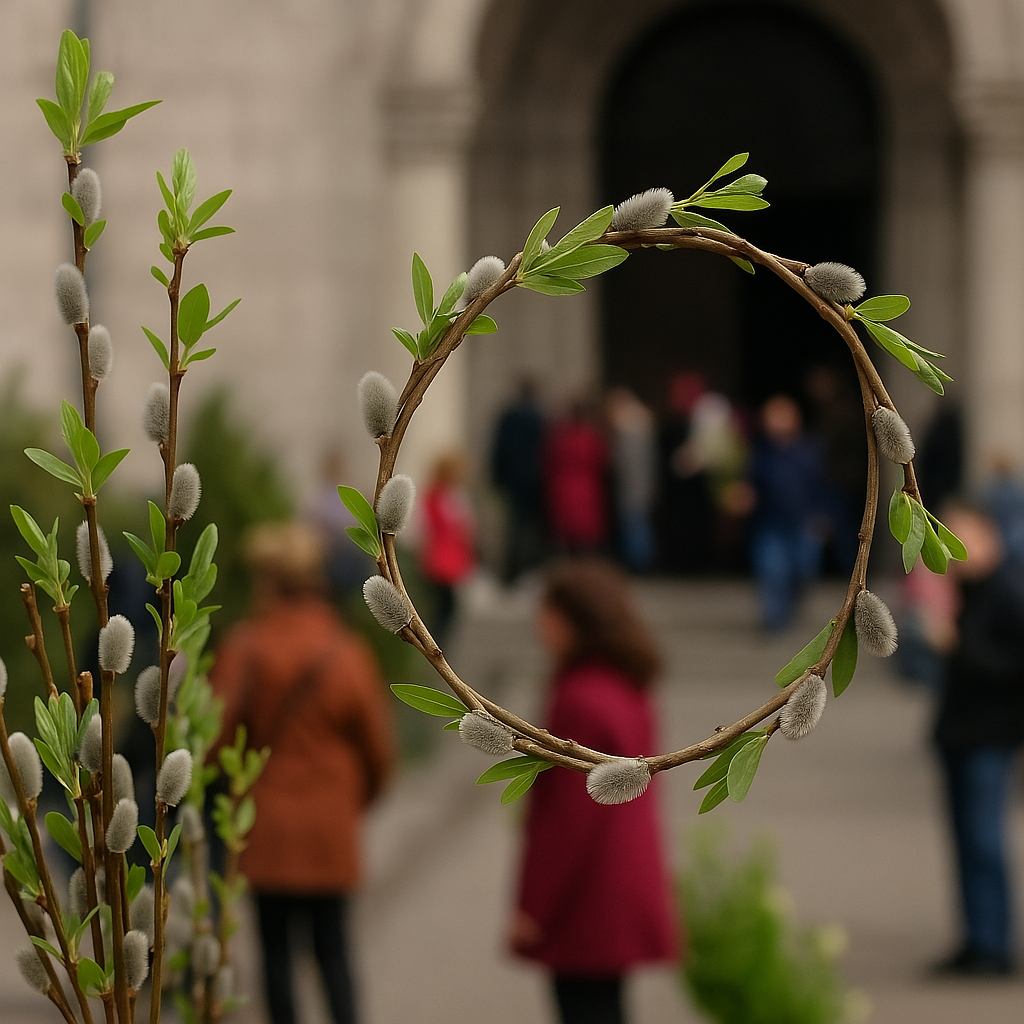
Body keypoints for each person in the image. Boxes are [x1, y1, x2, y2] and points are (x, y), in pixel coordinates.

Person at [209, 522, 395, 1024]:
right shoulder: (346, 649)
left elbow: (213, 738)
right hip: (330, 826)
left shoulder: (247, 647)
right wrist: (352, 802)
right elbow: (379, 752)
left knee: (276, 954)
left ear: (269, 580)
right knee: (333, 950)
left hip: (266, 823)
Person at [510, 559, 679, 1024]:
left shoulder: (579, 698)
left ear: (575, 621)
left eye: (547, 614)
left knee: (586, 1009)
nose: (539, 626)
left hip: (588, 895)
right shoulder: (627, 684)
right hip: (623, 876)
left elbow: (569, 819)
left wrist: (534, 906)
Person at [932, 505, 1024, 977]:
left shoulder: (1009, 592)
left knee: (983, 840)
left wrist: (959, 647)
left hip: (989, 737)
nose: (952, 549)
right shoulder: (967, 590)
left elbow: (1012, 670)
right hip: (961, 735)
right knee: (966, 841)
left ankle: (993, 945)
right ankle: (976, 939)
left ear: (989, 539)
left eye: (959, 537)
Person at [747, 395, 827, 631]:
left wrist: (823, 516)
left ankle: (791, 607)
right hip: (769, 522)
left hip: (804, 521)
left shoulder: (810, 451)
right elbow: (750, 483)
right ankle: (774, 617)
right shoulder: (759, 452)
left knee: (803, 568)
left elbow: (824, 486)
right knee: (771, 568)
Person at [491, 379, 546, 582]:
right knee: (529, 526)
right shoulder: (540, 417)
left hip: (513, 479)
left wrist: (498, 477)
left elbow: (500, 449)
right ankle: (526, 568)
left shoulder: (510, 416)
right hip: (533, 480)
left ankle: (513, 570)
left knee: (514, 526)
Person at [420, 451, 476, 646]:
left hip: (450, 558)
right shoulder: (436, 496)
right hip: (440, 559)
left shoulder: (453, 496)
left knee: (447, 607)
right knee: (444, 606)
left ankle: (439, 643)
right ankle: (435, 643)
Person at [544, 401, 609, 555]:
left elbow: (549, 462)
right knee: (586, 532)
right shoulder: (591, 438)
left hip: (563, 487)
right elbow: (602, 461)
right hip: (586, 487)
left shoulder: (559, 438)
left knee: (566, 531)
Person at [605, 387, 657, 573]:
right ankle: (641, 560)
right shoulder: (640, 423)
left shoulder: (628, 426)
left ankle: (638, 563)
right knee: (639, 524)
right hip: (641, 483)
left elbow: (626, 462)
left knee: (635, 525)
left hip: (632, 485)